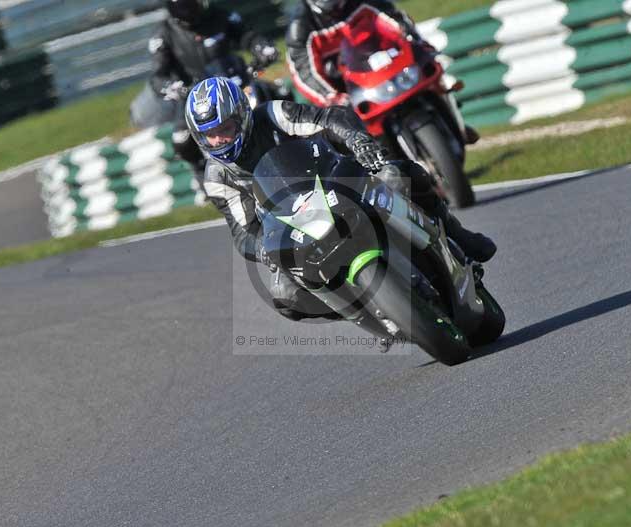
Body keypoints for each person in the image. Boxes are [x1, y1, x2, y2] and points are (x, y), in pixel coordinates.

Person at [184, 76, 495, 323]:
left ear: (241, 116)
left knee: (398, 175)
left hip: (334, 179)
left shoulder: (273, 115)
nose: (219, 140)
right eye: (210, 135)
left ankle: (457, 234)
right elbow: (242, 232)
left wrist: (355, 139)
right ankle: (365, 310)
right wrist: (262, 248)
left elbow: (328, 118)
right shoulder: (217, 178)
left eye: (224, 129)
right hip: (293, 228)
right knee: (285, 295)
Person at [285, 0, 480, 143]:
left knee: (430, 66)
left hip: (385, 66)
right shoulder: (300, 28)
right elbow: (304, 72)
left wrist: (417, 44)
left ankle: (455, 122)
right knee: (340, 132)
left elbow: (396, 21)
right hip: (347, 89)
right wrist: (332, 96)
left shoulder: (363, 2)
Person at [148, 0, 279, 175]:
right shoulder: (163, 35)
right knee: (181, 139)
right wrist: (170, 87)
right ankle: (203, 172)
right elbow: (158, 74)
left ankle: (294, 144)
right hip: (194, 98)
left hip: (235, 86)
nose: (194, 5)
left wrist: (262, 47)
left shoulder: (220, 15)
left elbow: (248, 35)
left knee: (279, 93)